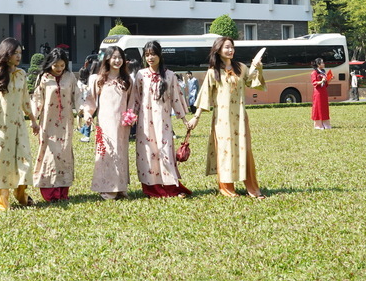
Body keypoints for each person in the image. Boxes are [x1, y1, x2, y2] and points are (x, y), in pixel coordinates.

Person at [187, 36, 267, 199]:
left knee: (245, 150)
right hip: (222, 120)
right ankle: (227, 188)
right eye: (227, 47)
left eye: (232, 47)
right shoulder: (213, 72)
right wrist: (196, 117)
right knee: (225, 151)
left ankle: (251, 187)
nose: (230, 50)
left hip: (240, 118)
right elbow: (204, 95)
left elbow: (253, 83)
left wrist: (258, 68)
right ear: (218, 50)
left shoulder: (242, 68)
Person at [0, 37, 39, 210]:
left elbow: (25, 100)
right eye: (15, 53)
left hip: (18, 125)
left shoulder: (21, 74)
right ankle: (1, 202)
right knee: (1, 163)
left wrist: (33, 121)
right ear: (6, 54)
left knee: (24, 159)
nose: (19, 56)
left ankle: (22, 196)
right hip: (0, 126)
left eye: (20, 53)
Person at [134, 41, 192, 198]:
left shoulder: (170, 75)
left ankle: (171, 189)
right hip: (144, 123)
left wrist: (184, 119)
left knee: (164, 152)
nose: (150, 57)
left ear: (160, 55)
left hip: (163, 122)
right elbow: (136, 99)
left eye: (153, 54)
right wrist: (131, 115)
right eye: (147, 55)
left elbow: (176, 99)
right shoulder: (141, 75)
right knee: (148, 153)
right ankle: (151, 189)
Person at [82, 46, 135, 200]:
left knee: (120, 153)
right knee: (105, 153)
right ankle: (106, 187)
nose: (117, 60)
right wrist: (87, 113)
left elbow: (132, 102)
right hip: (104, 123)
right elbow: (90, 100)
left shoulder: (127, 80)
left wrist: (129, 117)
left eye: (120, 57)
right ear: (107, 59)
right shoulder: (98, 79)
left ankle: (120, 187)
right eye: (114, 57)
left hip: (122, 124)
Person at [31, 48, 81, 202]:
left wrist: (82, 112)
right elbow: (37, 99)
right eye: (56, 66)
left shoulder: (70, 76)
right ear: (50, 64)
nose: (59, 69)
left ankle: (62, 191)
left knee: (64, 154)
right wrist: (34, 120)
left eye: (62, 65)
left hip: (66, 123)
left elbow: (77, 96)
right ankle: (49, 191)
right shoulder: (43, 78)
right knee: (49, 154)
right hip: (47, 123)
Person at [311, 58, 331, 130]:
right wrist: (321, 81)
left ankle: (326, 123)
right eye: (322, 63)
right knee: (318, 107)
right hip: (318, 92)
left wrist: (330, 79)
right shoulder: (314, 73)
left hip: (323, 91)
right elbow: (314, 83)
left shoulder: (323, 72)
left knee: (324, 107)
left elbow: (325, 84)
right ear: (318, 64)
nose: (324, 64)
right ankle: (318, 124)